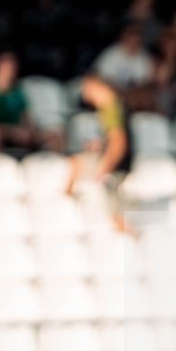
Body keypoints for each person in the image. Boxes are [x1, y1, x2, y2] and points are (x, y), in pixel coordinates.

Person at [65, 75, 133, 236]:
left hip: (116, 167)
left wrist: (105, 167)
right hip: (119, 164)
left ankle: (66, 199)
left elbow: (118, 142)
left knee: (116, 217)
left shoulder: (109, 107)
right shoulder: (114, 105)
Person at [0, 50, 54, 154]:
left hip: (17, 133)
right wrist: (6, 130)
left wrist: (28, 131)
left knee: (54, 136)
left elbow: (26, 116)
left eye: (13, 68)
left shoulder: (18, 92)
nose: (10, 71)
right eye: (7, 68)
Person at [91, 22, 159, 112]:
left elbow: (143, 83)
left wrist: (130, 93)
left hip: (131, 97)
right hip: (111, 92)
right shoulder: (111, 53)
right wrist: (120, 92)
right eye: (131, 37)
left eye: (137, 39)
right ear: (124, 38)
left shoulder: (144, 57)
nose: (134, 41)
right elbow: (101, 77)